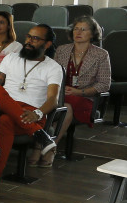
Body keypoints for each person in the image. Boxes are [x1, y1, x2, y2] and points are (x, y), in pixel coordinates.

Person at [0, 24, 62, 202]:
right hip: (6, 109)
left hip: (31, 113)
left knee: (5, 121)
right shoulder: (11, 57)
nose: (29, 41)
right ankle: (38, 134)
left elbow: (53, 100)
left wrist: (37, 113)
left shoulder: (53, 67)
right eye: (28, 37)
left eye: (35, 39)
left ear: (48, 44)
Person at [45, 16, 111, 166]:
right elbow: (52, 74)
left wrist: (79, 92)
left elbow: (104, 84)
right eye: (76, 28)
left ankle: (45, 146)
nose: (78, 32)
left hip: (85, 98)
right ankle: (49, 146)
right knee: (64, 106)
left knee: (63, 104)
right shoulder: (62, 50)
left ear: (93, 34)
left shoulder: (101, 54)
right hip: (61, 95)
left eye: (83, 29)